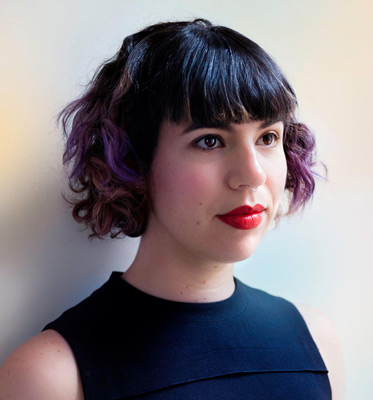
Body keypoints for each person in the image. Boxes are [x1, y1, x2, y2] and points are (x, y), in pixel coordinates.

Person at [0, 19, 345, 399]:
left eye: (268, 137)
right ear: (132, 160)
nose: (252, 174)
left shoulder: (318, 341)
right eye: (210, 140)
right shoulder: (52, 376)